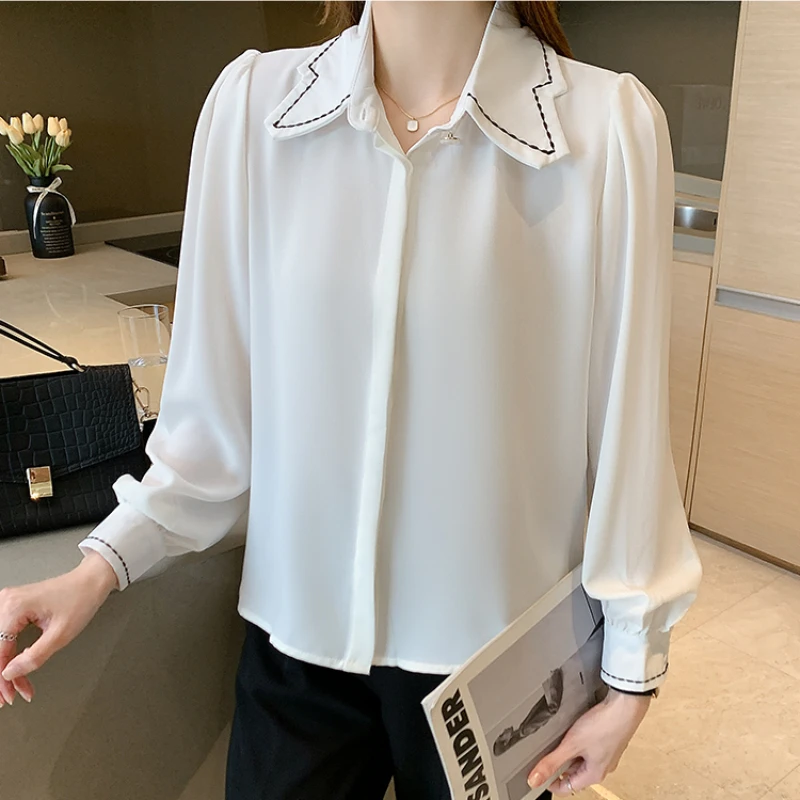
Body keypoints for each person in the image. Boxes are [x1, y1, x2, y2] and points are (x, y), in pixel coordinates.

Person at [0, 1, 702, 798]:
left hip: (497, 672)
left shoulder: (607, 129)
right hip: (298, 655)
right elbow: (212, 426)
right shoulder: (251, 109)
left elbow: (628, 432)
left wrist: (633, 674)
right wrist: (98, 566)